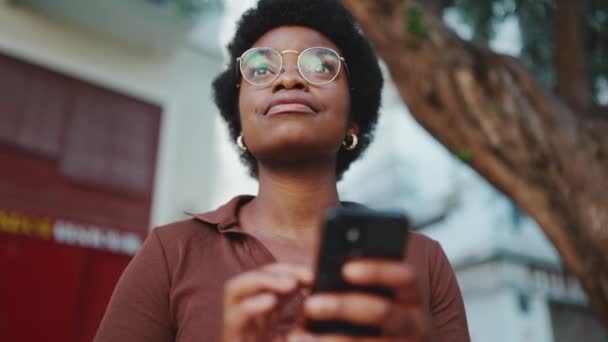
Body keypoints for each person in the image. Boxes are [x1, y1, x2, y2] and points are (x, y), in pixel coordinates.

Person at [94, 0, 470, 341]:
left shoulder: (423, 259)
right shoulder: (171, 252)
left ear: (353, 121)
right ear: (239, 119)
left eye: (321, 66)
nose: (288, 79)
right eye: (260, 68)